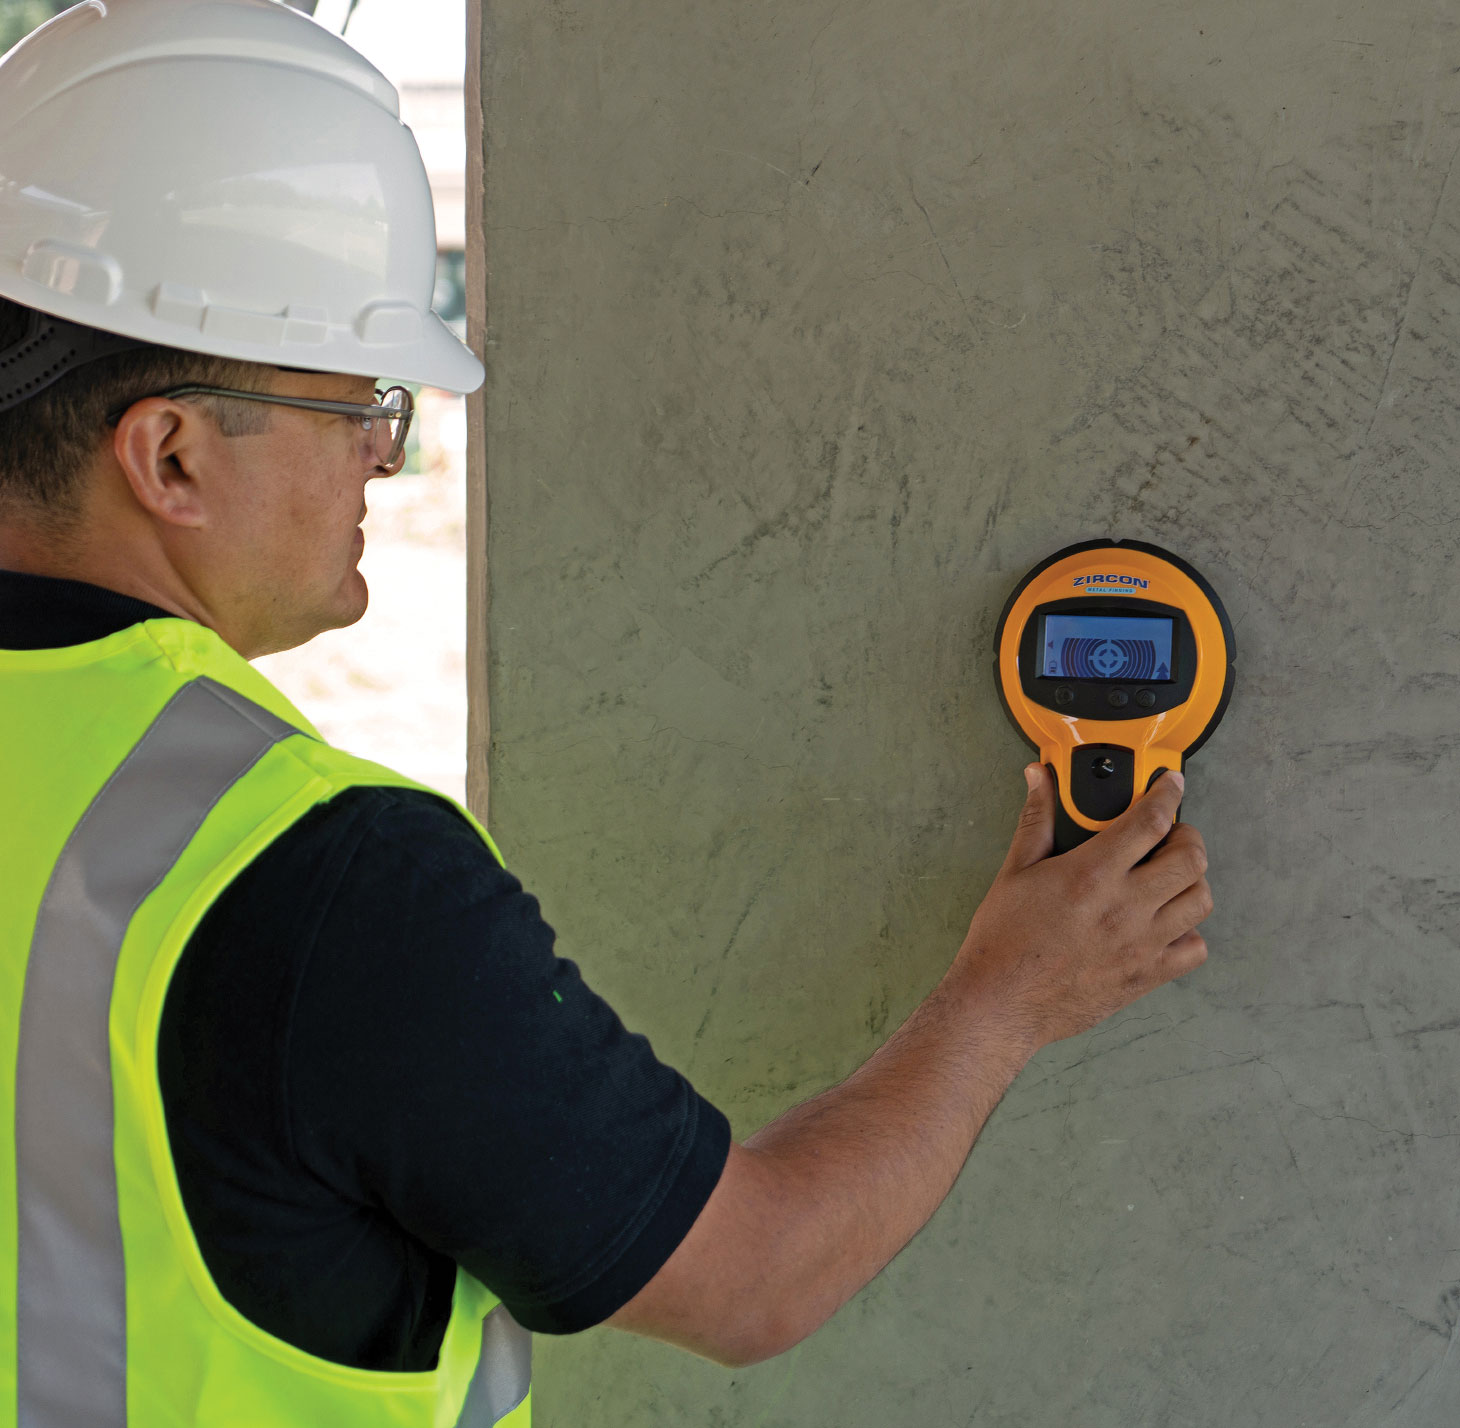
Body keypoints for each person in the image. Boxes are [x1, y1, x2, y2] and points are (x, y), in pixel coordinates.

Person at [0, 2, 1213, 1425]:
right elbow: (752, 1274)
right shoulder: (314, 881)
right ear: (172, 453)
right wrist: (1008, 1000)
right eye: (358, 407)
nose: (384, 464)